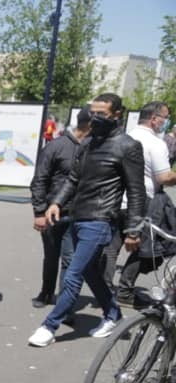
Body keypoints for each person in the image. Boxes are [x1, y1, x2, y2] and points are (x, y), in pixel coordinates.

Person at [28, 93, 146, 348]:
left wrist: (134, 230)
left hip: (100, 220)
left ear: (116, 115)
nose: (95, 118)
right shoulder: (89, 143)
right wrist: (55, 203)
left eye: (101, 113)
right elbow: (73, 179)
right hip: (76, 217)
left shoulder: (128, 146)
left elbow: (137, 191)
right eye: (92, 112)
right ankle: (113, 314)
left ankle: (49, 326)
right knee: (90, 271)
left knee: (73, 273)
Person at [112, 101, 176, 307]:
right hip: (144, 201)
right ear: (154, 119)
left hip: (116, 198)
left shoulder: (124, 137)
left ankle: (105, 290)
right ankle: (125, 290)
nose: (166, 122)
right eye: (165, 117)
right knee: (148, 247)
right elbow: (164, 176)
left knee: (112, 246)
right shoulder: (156, 144)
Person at [29, 106, 90, 309]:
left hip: (79, 214)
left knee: (70, 260)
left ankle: (65, 305)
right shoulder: (56, 146)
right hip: (51, 213)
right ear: (88, 125)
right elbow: (39, 179)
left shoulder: (94, 148)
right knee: (51, 256)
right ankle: (46, 292)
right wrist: (39, 211)